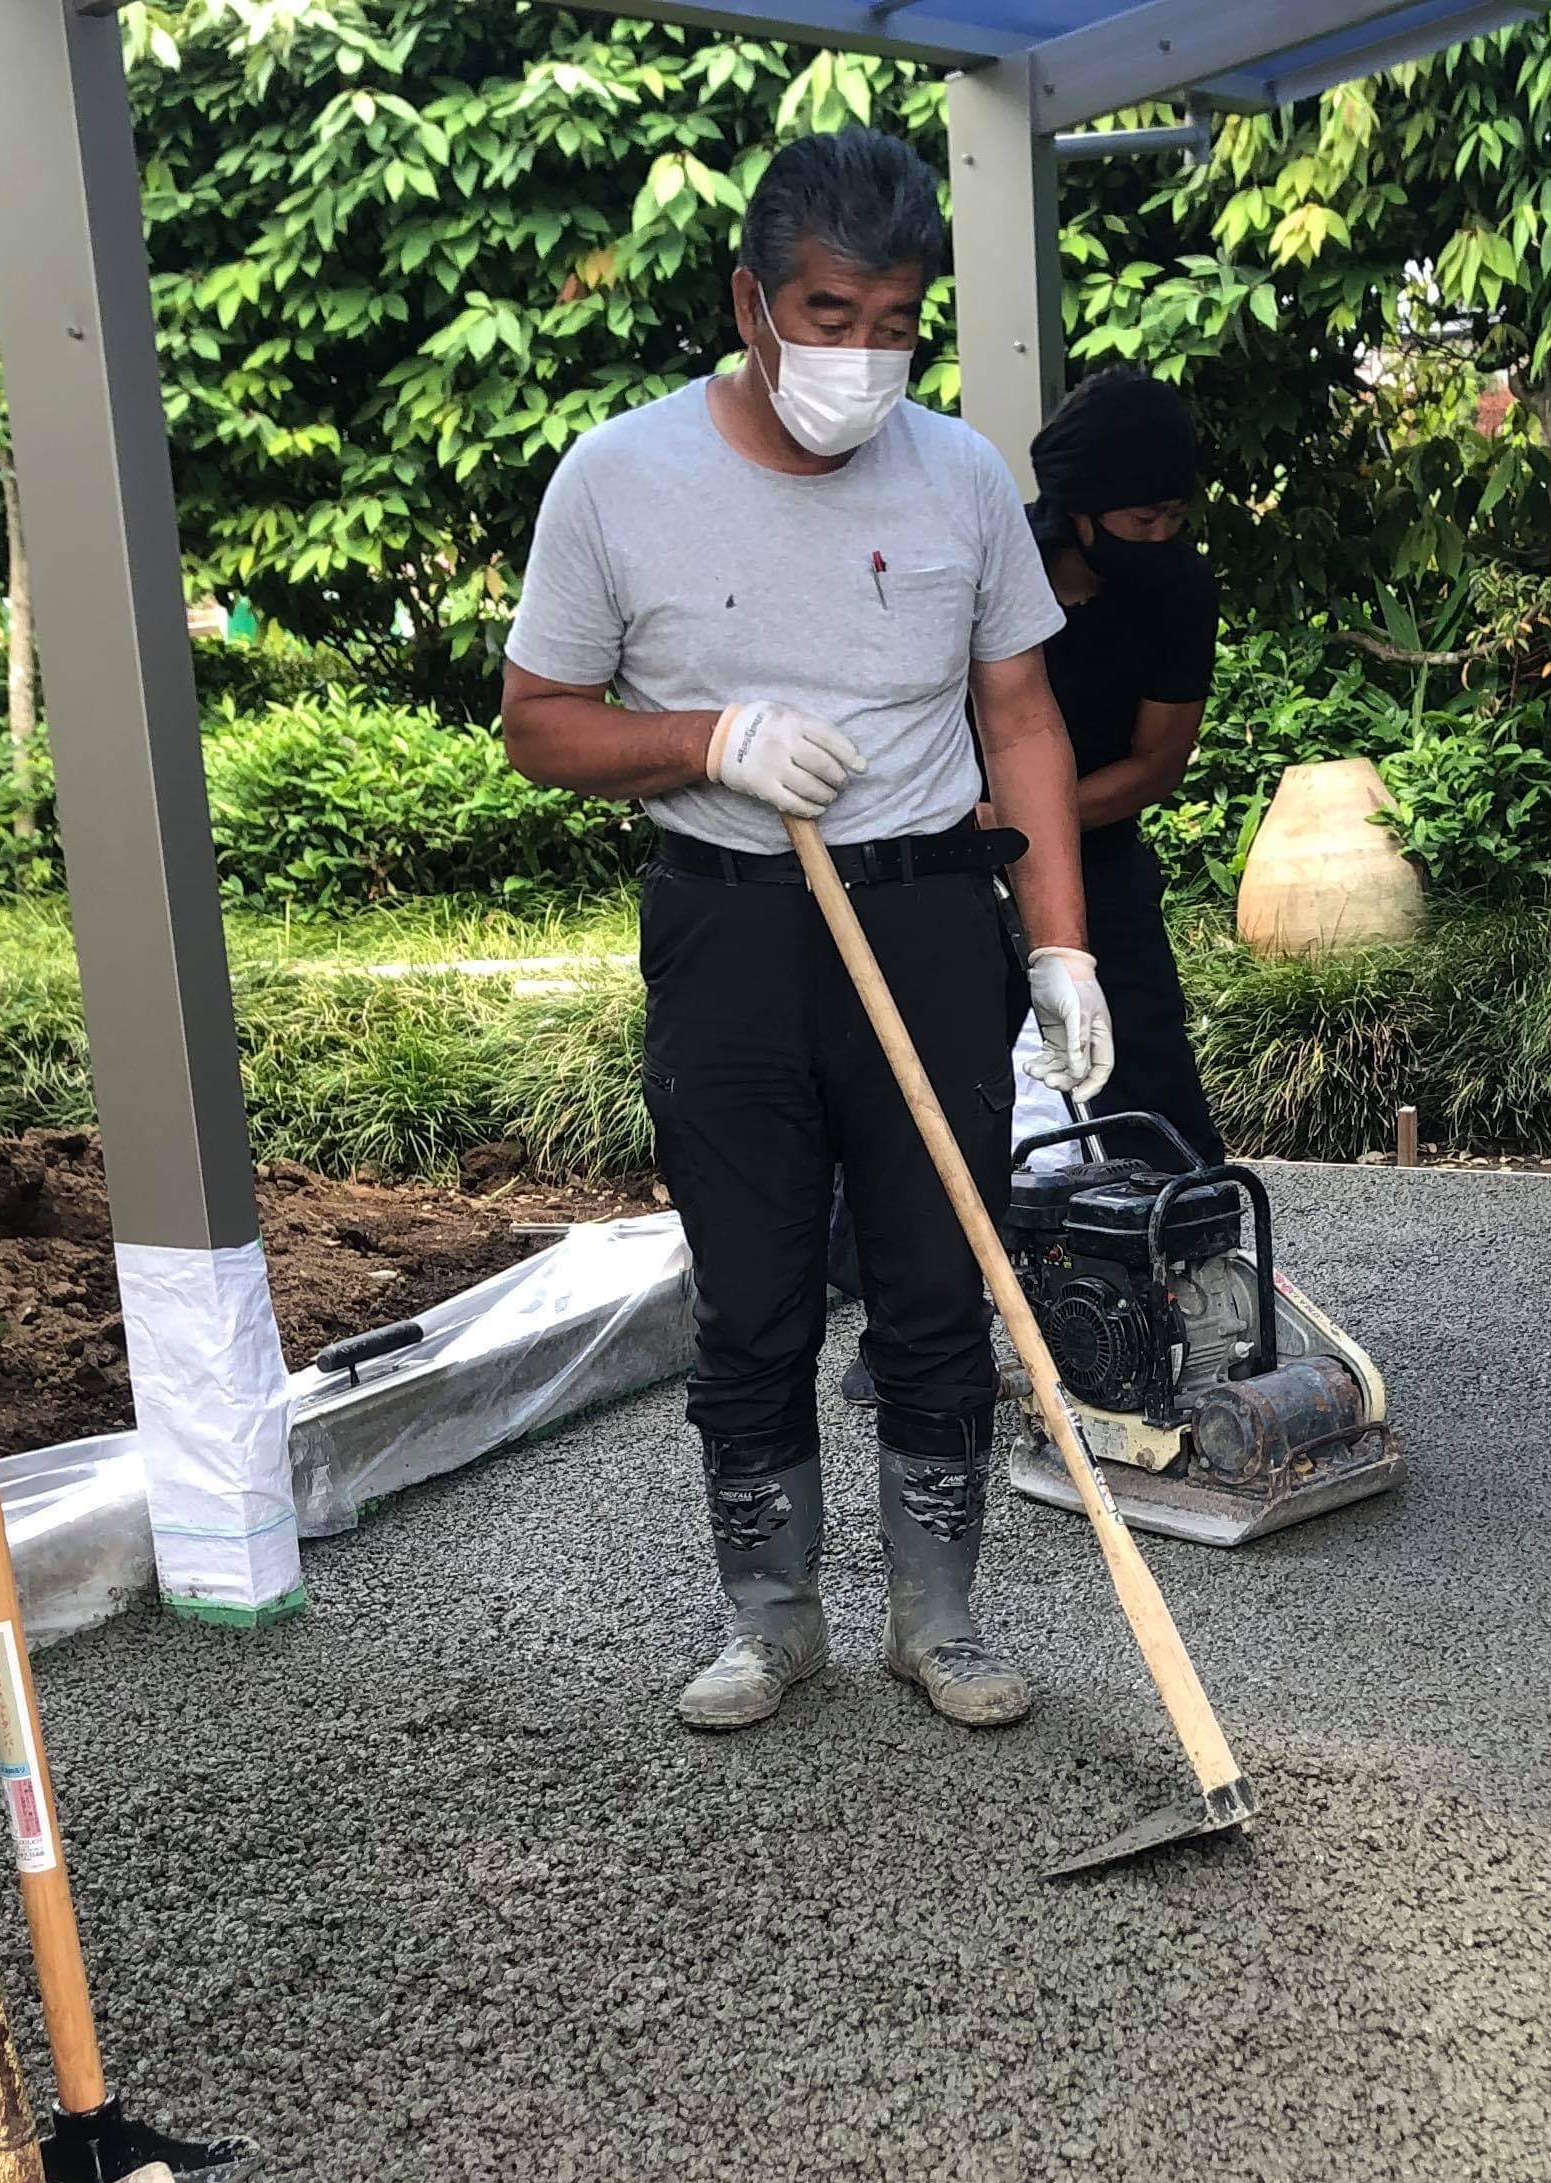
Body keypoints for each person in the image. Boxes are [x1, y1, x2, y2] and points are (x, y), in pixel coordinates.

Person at [501, 129, 1103, 1737]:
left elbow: (1023, 718)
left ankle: (940, 1616)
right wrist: (703, 740)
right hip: (730, 929)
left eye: (896, 320)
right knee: (755, 1293)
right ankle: (771, 1619)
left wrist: (1060, 947)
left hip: (921, 914)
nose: (863, 356)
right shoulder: (619, 479)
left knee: (937, 1274)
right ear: (751, 303)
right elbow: (540, 726)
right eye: (830, 315)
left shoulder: (963, 475)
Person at [1019, 368, 1223, 1168]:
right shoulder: (999, 575)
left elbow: (1155, 765)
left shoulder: (1180, 590)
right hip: (960, 854)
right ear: (1080, 511)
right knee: (939, 1063)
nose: (1162, 535)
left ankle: (1183, 1233)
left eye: (1175, 515)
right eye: (1143, 518)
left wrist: (1025, 821)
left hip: (1098, 843)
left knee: (1141, 1053)